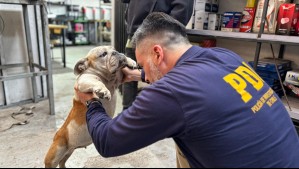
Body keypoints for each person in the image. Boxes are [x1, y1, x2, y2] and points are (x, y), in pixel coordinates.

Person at [76, 12, 299, 168]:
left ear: (157, 53)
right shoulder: (224, 56)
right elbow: (182, 78)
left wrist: (91, 100)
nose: (146, 76)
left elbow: (107, 141)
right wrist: (137, 74)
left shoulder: (171, 93)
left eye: (143, 65)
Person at [121, 0, 194, 111]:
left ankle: (159, 114)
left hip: (158, 35)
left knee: (160, 75)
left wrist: (163, 34)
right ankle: (127, 112)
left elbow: (182, 9)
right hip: (134, 31)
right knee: (130, 73)